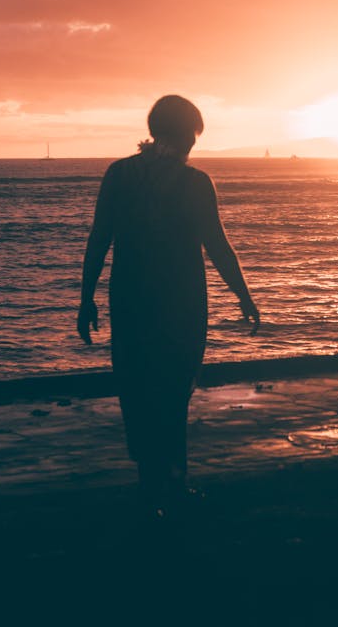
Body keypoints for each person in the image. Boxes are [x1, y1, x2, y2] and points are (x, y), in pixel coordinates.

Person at [78, 94, 260, 511]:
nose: (194, 145)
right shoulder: (194, 183)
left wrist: (86, 298)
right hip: (180, 303)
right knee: (174, 394)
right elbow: (217, 245)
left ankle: (150, 484)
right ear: (183, 136)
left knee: (137, 389)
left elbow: (98, 239)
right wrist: (244, 295)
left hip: (130, 298)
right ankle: (172, 484)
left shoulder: (119, 174)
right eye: (193, 136)